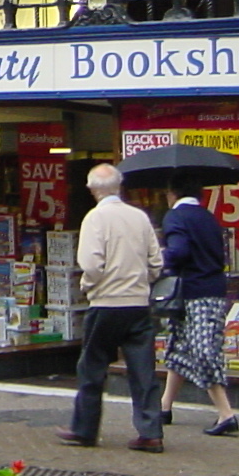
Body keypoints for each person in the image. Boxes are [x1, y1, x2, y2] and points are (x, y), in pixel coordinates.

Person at [58, 163, 166, 452]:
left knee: (92, 368)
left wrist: (89, 285)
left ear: (93, 189)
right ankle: (151, 431)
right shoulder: (139, 217)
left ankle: (85, 429)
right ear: (119, 187)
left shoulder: (95, 218)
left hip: (106, 303)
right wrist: (143, 281)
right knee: (143, 371)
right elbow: (156, 262)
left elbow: (91, 263)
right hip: (138, 304)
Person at [159, 182, 239, 437]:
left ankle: (226, 413)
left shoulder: (176, 216)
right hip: (214, 289)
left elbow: (179, 252)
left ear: (171, 193)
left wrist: (160, 257)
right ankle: (164, 406)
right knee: (180, 345)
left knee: (203, 350)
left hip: (191, 291)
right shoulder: (209, 217)